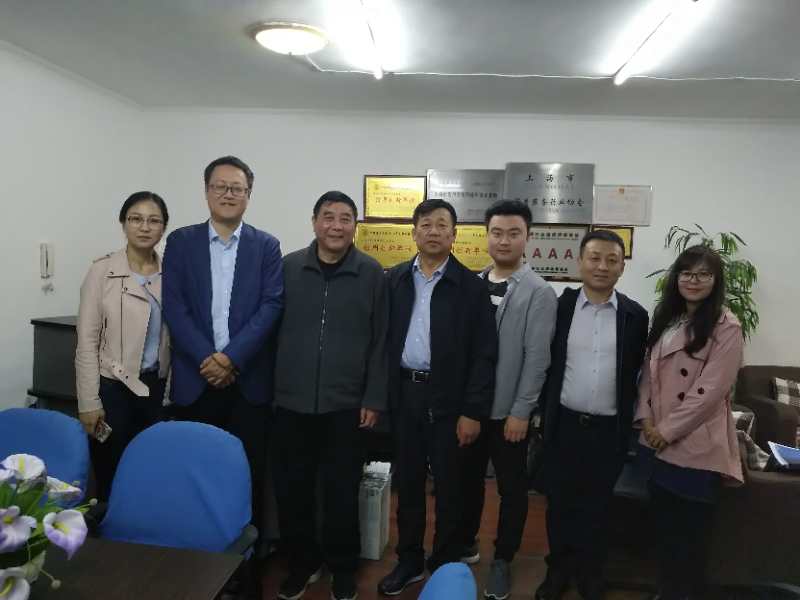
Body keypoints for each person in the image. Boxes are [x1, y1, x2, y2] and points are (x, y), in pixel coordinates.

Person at [272, 191, 388, 600]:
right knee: (294, 490)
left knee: (341, 492)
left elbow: (381, 341)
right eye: (328, 217)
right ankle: (302, 563)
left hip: (347, 406)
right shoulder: (288, 268)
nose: (336, 226)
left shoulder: (372, 274)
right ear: (314, 222)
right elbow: (270, 331)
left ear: (355, 225)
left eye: (345, 218)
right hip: (291, 402)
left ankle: (343, 567)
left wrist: (373, 398)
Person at [378, 199, 497, 596]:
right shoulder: (394, 279)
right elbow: (381, 342)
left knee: (450, 487)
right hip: (404, 394)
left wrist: (472, 411)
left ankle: (445, 563)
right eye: (426, 224)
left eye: (441, 225)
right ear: (414, 232)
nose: (433, 231)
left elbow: (484, 355)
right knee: (408, 484)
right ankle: (409, 560)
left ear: (454, 234)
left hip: (450, 400)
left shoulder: (471, 287)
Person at [162, 155, 283, 532]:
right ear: (206, 191)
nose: (228, 194)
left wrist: (230, 359)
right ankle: (197, 553)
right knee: (196, 472)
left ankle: (248, 555)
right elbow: (175, 307)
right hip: (196, 381)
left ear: (248, 195)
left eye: (237, 188)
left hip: (248, 384)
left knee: (247, 474)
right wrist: (208, 359)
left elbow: (271, 306)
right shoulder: (181, 242)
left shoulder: (267, 246)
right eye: (221, 187)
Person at [533, 230, 649, 600]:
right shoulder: (560, 307)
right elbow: (544, 362)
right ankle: (558, 570)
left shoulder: (635, 316)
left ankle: (590, 571)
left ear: (621, 267)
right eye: (594, 257)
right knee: (559, 504)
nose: (602, 266)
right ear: (580, 261)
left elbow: (638, 373)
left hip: (608, 430)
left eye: (611, 260)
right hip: (565, 425)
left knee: (598, 505)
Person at [458, 200, 557, 600]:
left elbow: (538, 359)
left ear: (527, 238)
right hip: (472, 409)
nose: (504, 240)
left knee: (512, 491)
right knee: (466, 482)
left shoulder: (539, 292)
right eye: (497, 232)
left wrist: (521, 411)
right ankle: (465, 543)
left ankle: (502, 558)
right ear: (486, 236)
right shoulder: (472, 283)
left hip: (509, 414)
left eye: (514, 233)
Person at [635, 245, 743, 600]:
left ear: (716, 280)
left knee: (691, 537)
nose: (693, 281)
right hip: (655, 440)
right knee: (664, 531)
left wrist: (666, 431)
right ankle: (666, 591)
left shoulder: (726, 326)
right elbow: (648, 374)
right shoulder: (668, 317)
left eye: (703, 274)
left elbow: (709, 391)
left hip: (695, 444)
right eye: (686, 273)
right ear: (676, 277)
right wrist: (646, 419)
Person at [75, 191, 171, 501]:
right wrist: (89, 401)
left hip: (155, 388)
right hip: (112, 389)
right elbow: (87, 341)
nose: (144, 227)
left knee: (148, 474)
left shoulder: (172, 273)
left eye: (154, 220)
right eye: (136, 219)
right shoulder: (101, 271)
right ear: (123, 224)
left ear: (163, 228)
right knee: (109, 474)